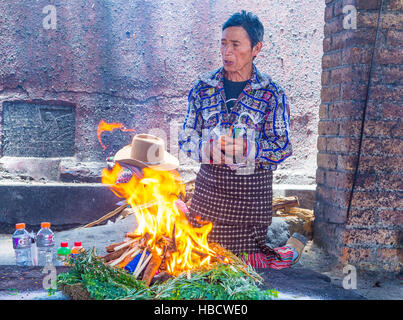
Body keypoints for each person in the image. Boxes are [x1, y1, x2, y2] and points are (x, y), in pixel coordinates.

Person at [178, 10, 306, 269]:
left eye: (236, 45)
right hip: (209, 200)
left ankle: (287, 251)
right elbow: (185, 137)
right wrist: (206, 148)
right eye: (224, 43)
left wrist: (251, 148)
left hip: (250, 204)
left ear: (256, 48)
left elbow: (283, 145)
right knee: (203, 263)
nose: (227, 52)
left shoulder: (271, 93)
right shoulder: (203, 87)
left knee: (248, 269)